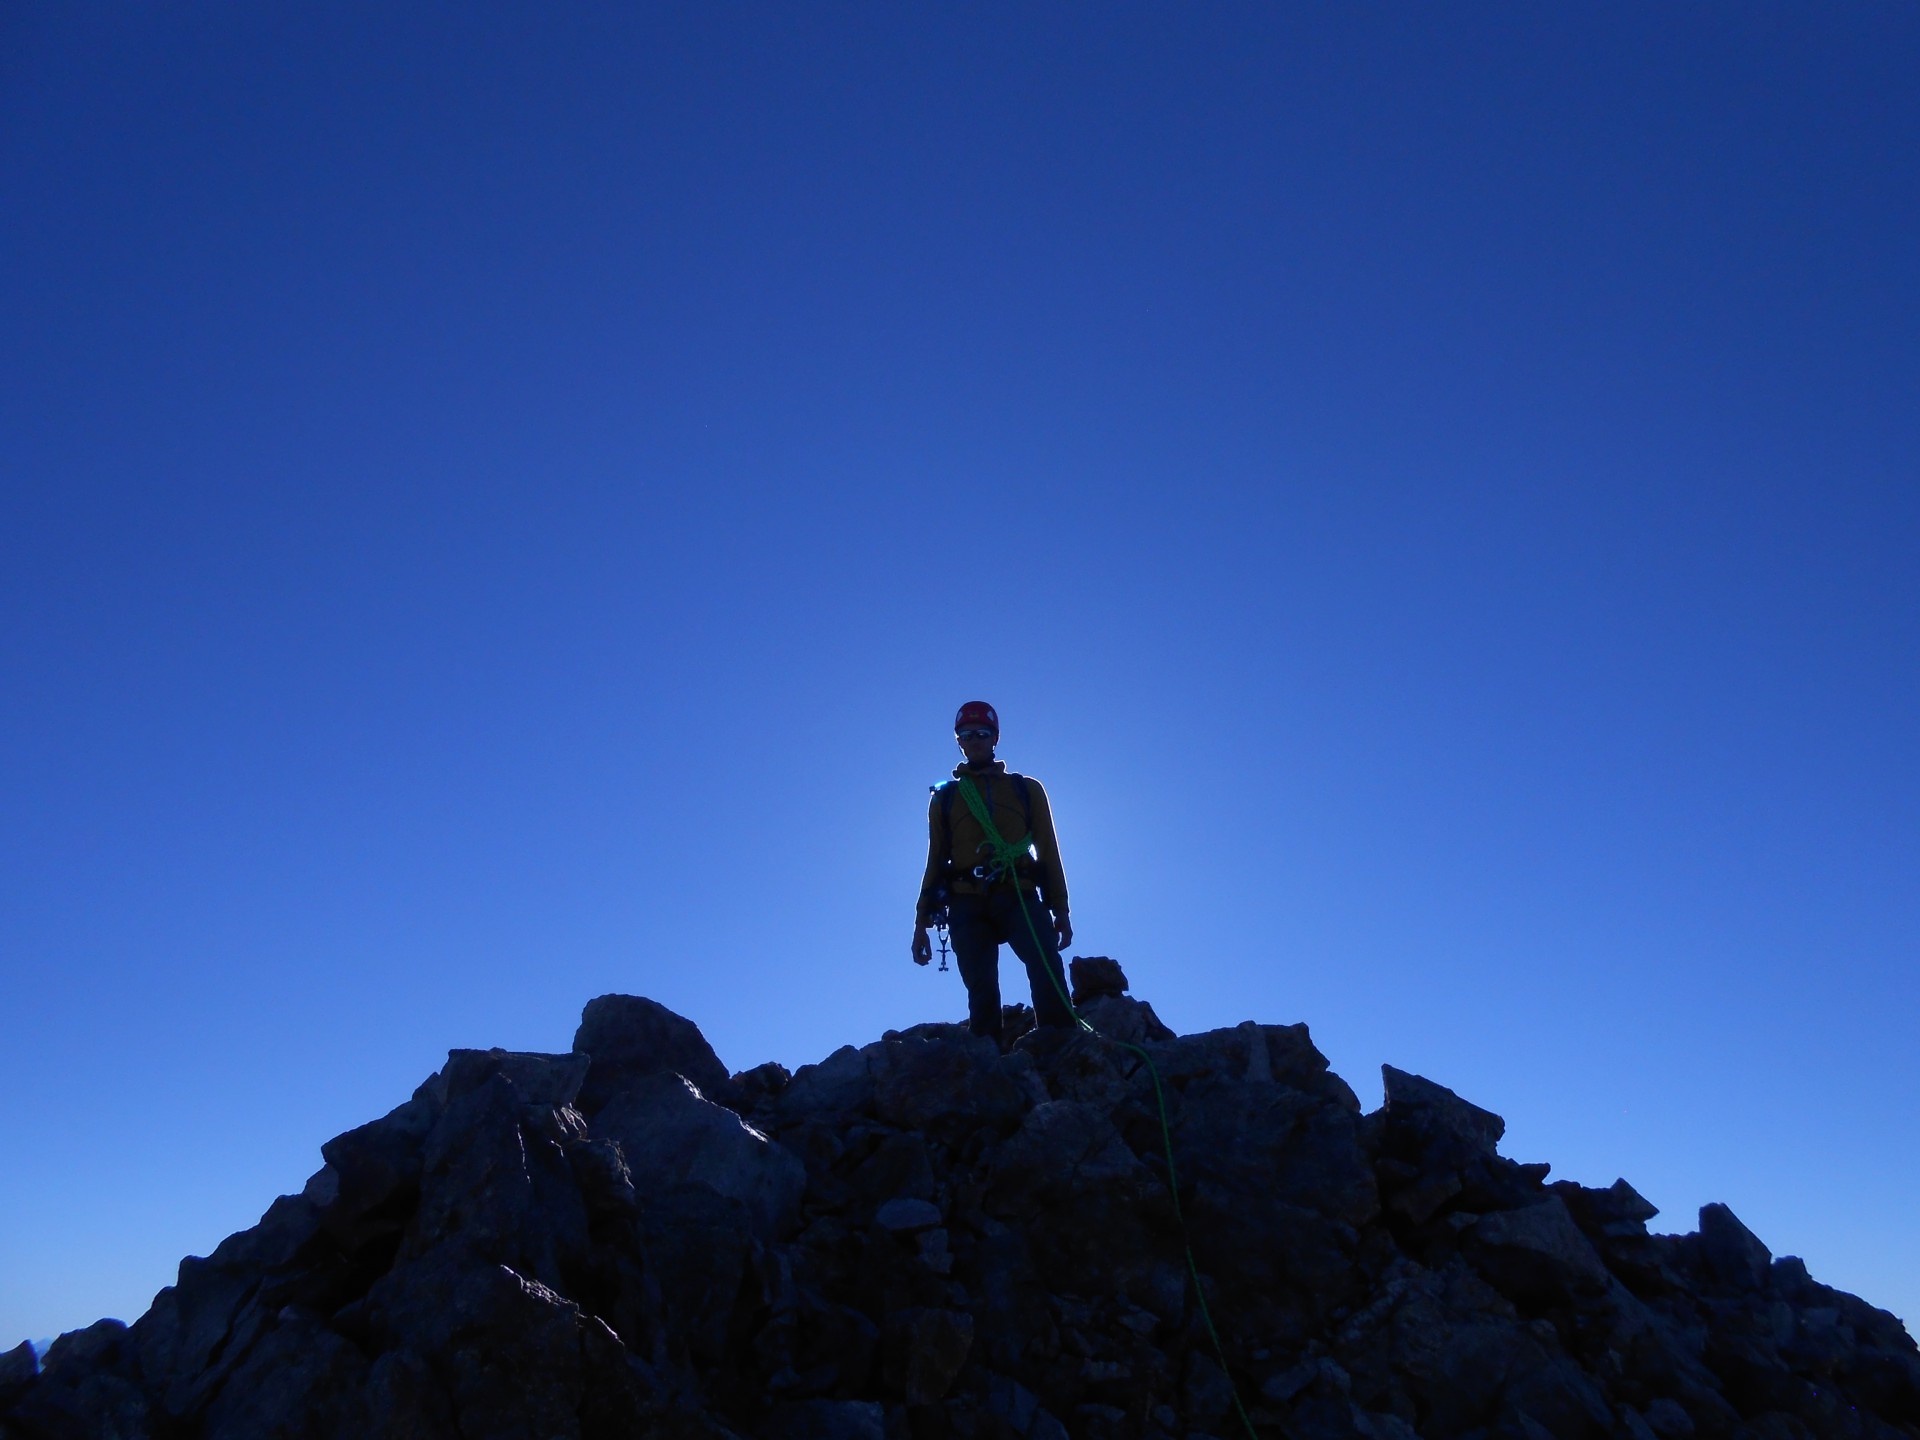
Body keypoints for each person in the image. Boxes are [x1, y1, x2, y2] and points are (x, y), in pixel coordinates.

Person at [912, 701, 1074, 1043]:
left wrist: (1060, 908)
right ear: (959, 741)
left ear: (995, 737)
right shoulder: (945, 798)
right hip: (966, 901)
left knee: (1046, 966)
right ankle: (989, 1059)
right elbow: (936, 857)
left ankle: (1059, 1046)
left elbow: (1047, 849)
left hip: (1017, 892)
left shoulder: (1026, 789)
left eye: (981, 734)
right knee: (980, 986)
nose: (974, 741)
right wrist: (920, 921)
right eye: (966, 735)